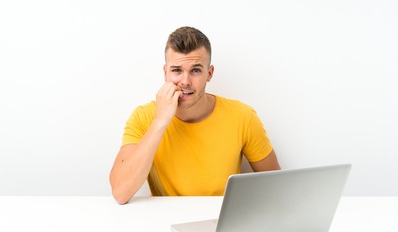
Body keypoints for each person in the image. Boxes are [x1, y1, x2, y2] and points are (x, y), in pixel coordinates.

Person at [110, 26, 280, 204]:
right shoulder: (143, 117)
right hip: (163, 222)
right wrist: (160, 121)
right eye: (176, 70)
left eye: (196, 70)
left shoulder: (243, 117)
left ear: (210, 73)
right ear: (165, 72)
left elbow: (277, 187)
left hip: (219, 221)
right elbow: (121, 193)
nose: (185, 81)